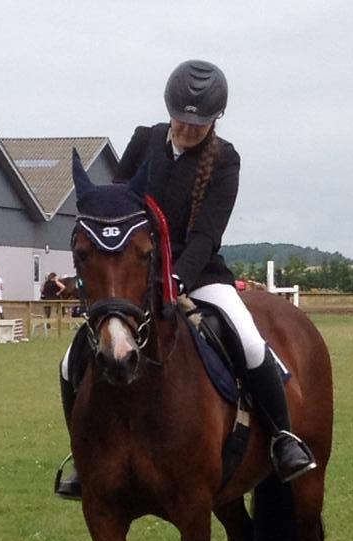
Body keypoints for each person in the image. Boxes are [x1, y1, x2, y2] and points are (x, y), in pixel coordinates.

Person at [55, 59, 315, 500]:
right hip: (138, 275)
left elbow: (207, 235)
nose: (190, 129)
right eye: (183, 119)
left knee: (251, 343)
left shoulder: (225, 160)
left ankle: (283, 440)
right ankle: (83, 460)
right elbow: (117, 206)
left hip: (198, 274)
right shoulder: (145, 140)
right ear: (170, 109)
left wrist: (175, 277)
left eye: (201, 123)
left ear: (216, 119)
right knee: (70, 360)